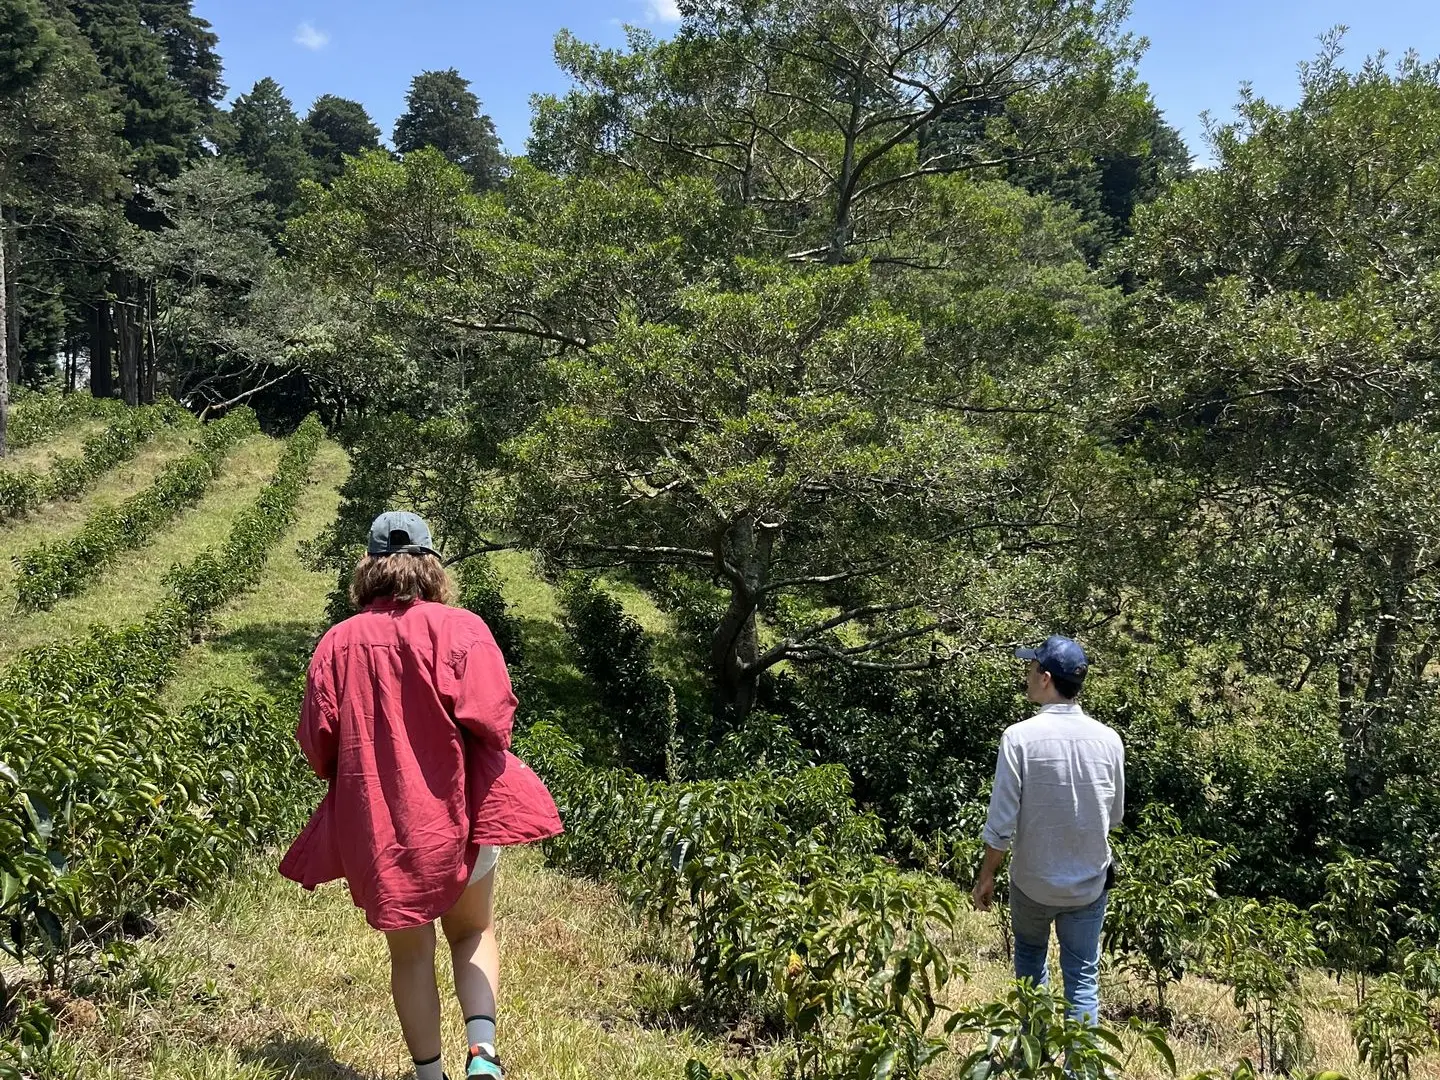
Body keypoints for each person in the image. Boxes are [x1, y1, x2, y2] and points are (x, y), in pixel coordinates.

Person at [280, 511, 563, 1080]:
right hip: (462, 815)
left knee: (410, 954)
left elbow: (319, 745)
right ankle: (483, 1055)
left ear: (369, 568)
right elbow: (493, 719)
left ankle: (429, 1074)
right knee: (473, 929)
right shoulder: (463, 628)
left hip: (381, 822)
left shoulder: (339, 643)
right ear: (431, 565)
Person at [971, 634, 1124, 1025]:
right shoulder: (1109, 740)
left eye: (1031, 666)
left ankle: (1033, 1054)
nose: (1026, 673)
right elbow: (1114, 815)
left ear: (1045, 677)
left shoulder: (1019, 738)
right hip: (1088, 885)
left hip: (1033, 882)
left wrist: (986, 876)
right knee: (1083, 977)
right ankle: (1081, 1069)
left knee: (1030, 959)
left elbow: (1001, 821)